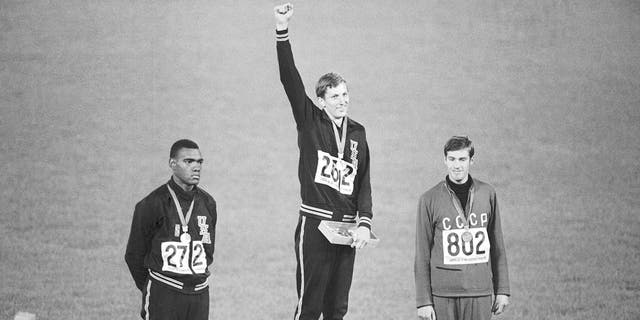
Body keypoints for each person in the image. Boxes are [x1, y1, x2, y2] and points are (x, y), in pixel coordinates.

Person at [274, 3, 374, 320]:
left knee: (337, 309)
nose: (342, 101)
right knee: (310, 307)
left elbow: (364, 181)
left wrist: (365, 223)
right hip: (315, 225)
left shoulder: (358, 132)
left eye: (345, 94)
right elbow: (289, 78)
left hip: (345, 229)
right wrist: (281, 30)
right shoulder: (309, 122)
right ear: (321, 101)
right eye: (334, 96)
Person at [414, 136, 510, 320]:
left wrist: (502, 289)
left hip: (479, 290)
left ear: (471, 160)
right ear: (445, 160)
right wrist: (423, 301)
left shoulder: (487, 194)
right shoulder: (429, 199)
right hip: (443, 293)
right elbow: (422, 253)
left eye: (462, 159)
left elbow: (498, 245)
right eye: (452, 159)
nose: (456, 165)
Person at [125, 139, 217, 320]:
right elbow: (134, 255)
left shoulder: (208, 203)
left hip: (199, 295)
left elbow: (208, 252)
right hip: (164, 293)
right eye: (188, 161)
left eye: (199, 162)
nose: (196, 167)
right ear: (172, 164)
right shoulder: (152, 204)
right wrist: (155, 285)